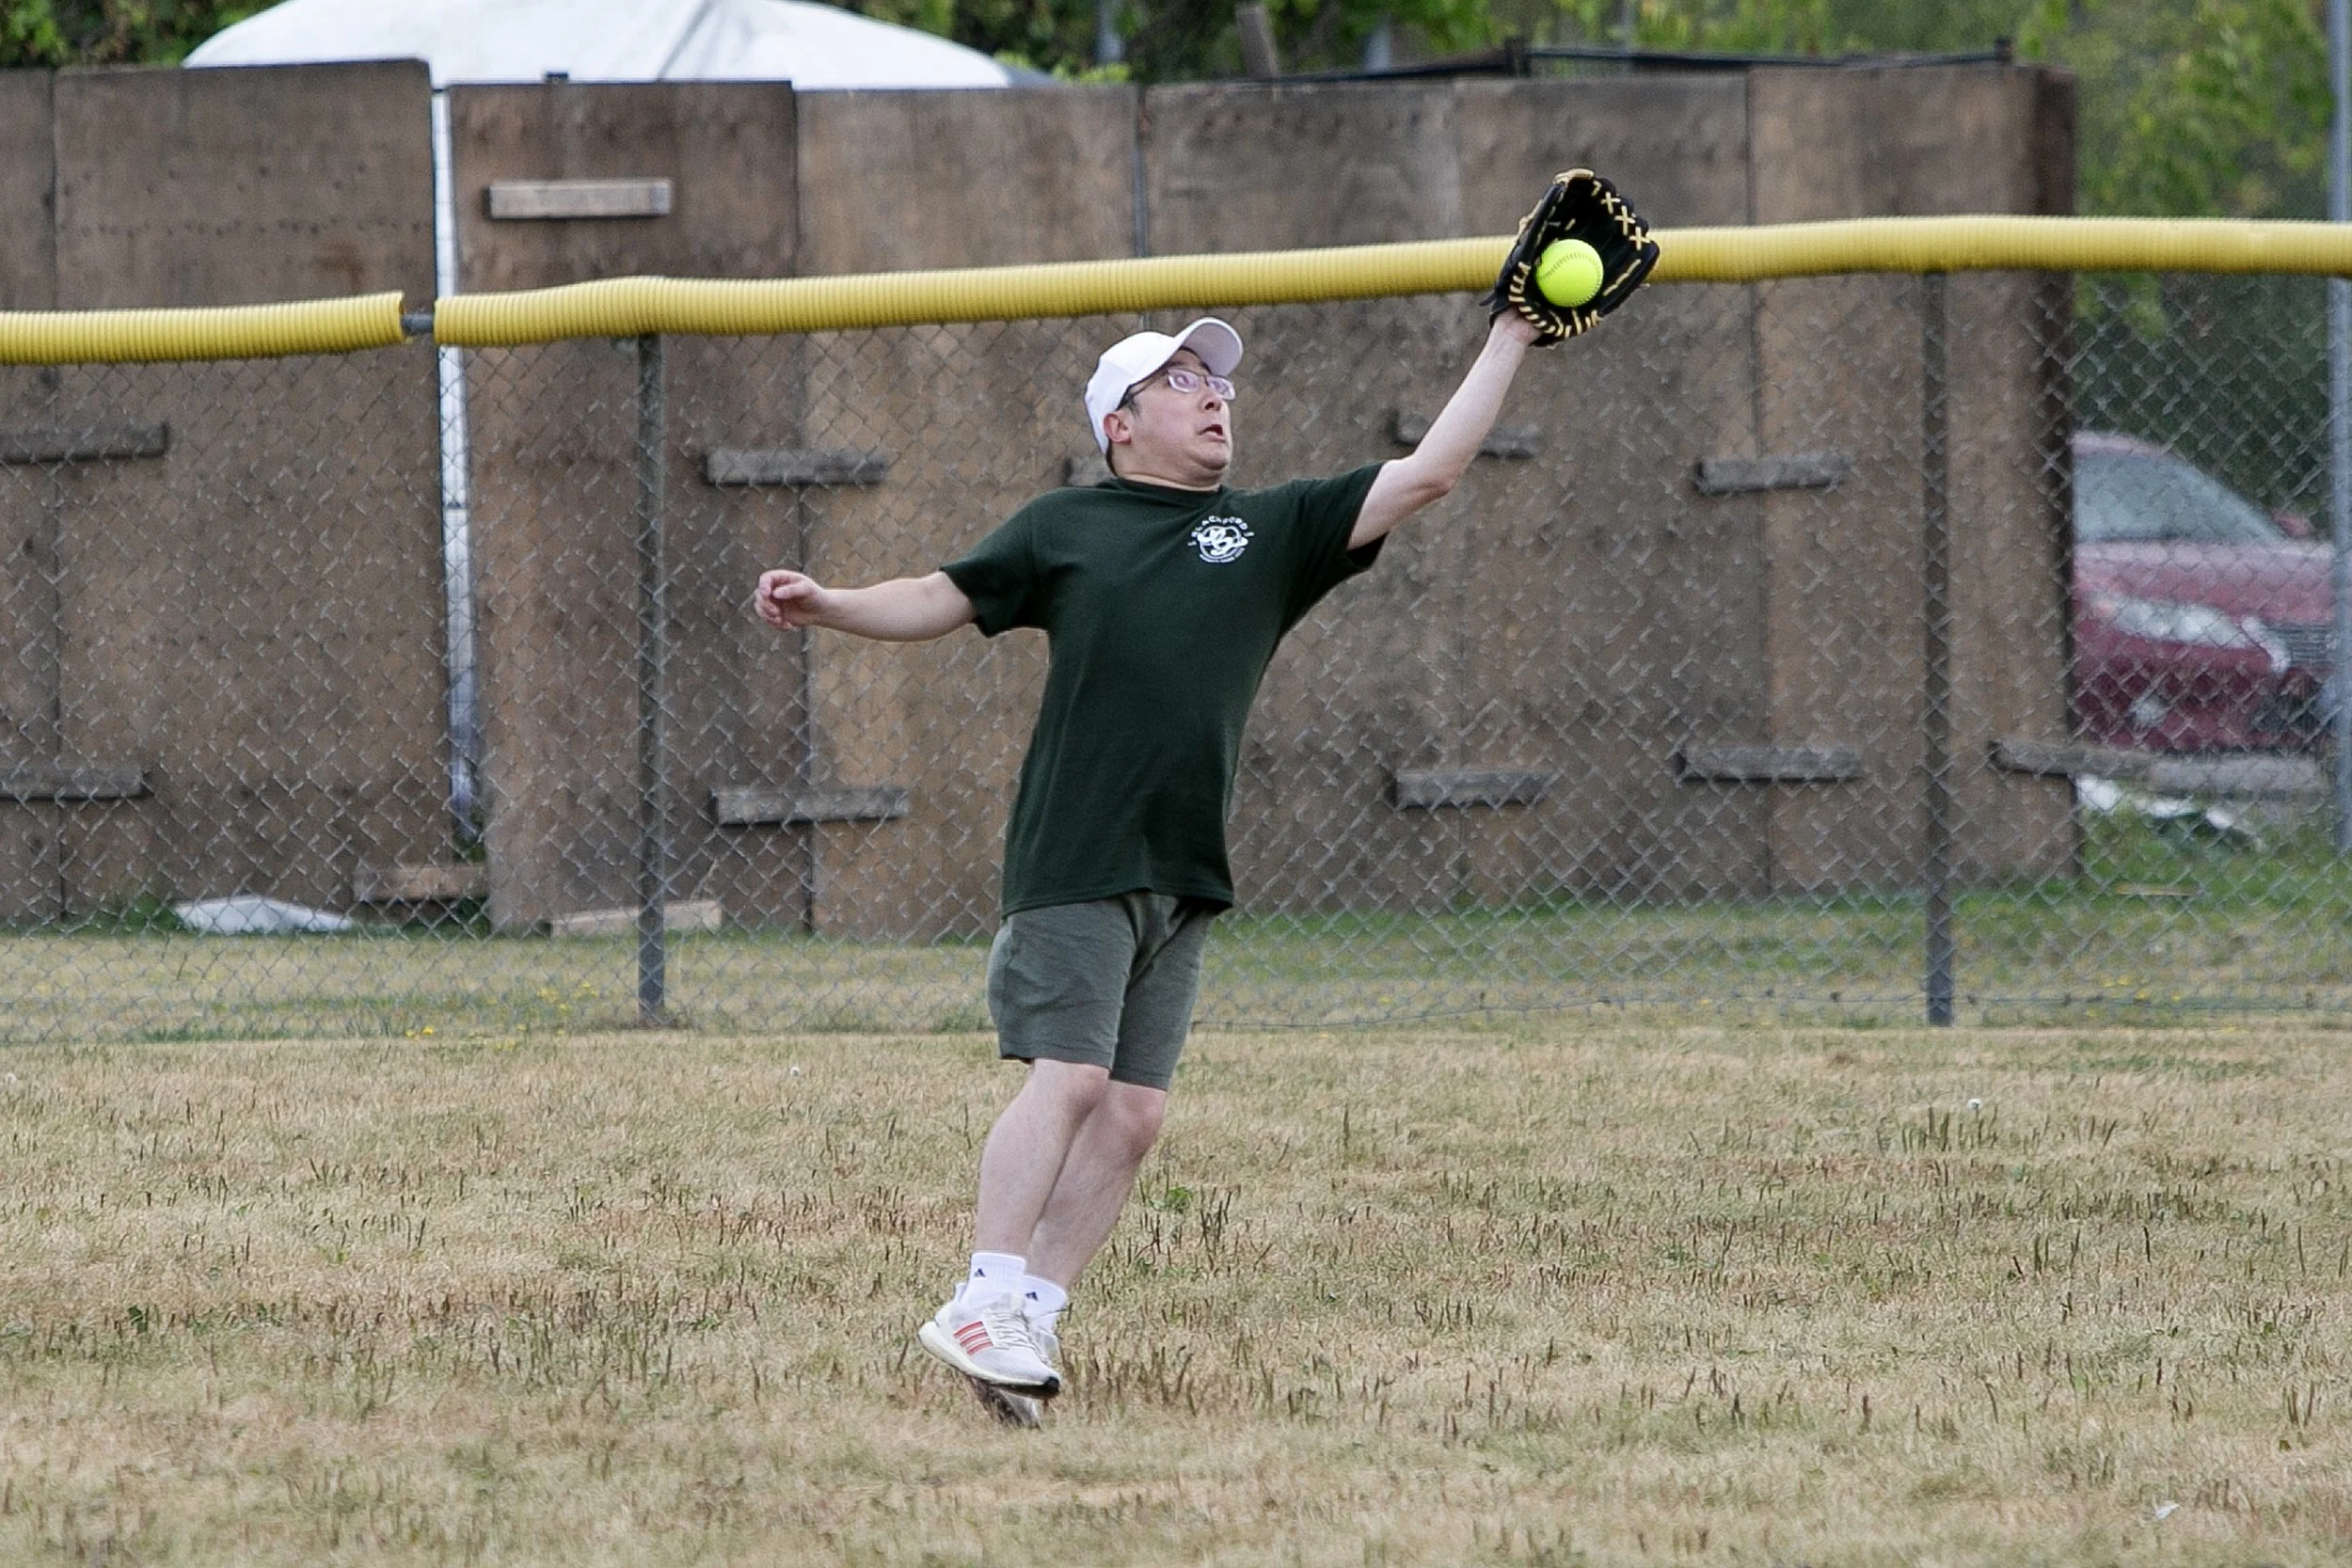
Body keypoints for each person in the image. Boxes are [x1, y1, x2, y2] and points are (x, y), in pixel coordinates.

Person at [756, 306, 1543, 1424]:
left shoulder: (1271, 532)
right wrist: (830, 604)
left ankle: (1029, 1314)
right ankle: (980, 1294)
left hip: (1184, 862)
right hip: (1078, 848)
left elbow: (1429, 474)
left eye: (1217, 382)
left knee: (1130, 1116)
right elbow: (941, 595)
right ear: (1121, 426)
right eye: (1181, 382)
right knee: (1069, 1079)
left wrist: (1511, 334)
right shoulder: (1066, 524)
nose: (1213, 394)